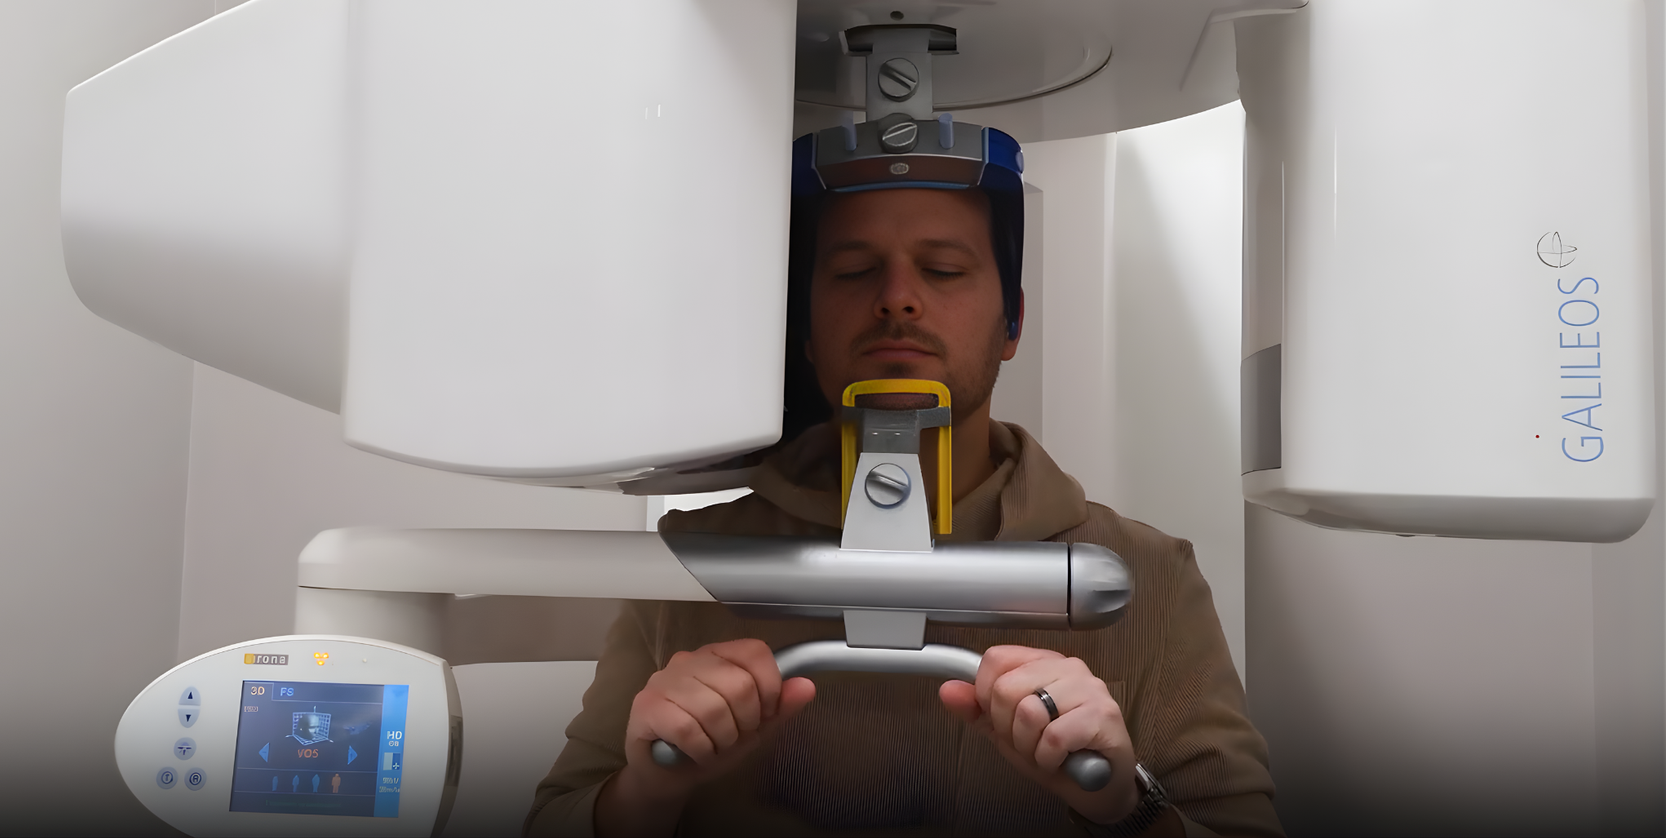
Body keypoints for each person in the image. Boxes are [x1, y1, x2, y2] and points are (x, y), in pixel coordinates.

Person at [525, 177, 1278, 836]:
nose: (896, 297)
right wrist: (646, 792)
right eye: (854, 270)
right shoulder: (690, 567)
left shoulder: (1143, 574)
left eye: (944, 269)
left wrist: (1124, 804)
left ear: (1012, 321)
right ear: (807, 332)